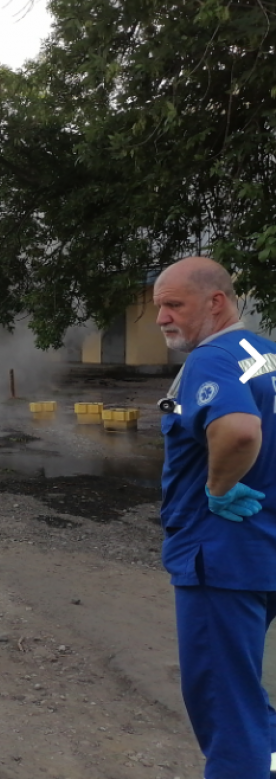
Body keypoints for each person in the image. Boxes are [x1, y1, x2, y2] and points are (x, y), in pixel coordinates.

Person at [154, 256, 276, 778]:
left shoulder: (211, 358)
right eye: (159, 306)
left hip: (222, 559)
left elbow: (240, 431)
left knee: (228, 711)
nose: (162, 317)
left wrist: (218, 486)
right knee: (255, 697)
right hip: (267, 552)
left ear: (216, 303)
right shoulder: (270, 353)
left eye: (174, 304)